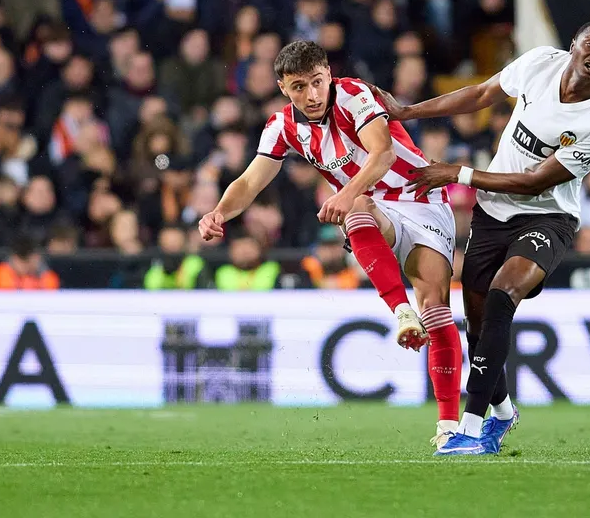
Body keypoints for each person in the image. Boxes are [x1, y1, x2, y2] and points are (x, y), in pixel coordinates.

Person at [375, 15, 590, 456]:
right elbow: (481, 94)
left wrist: (459, 173)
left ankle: (470, 428)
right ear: (573, 44)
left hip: (548, 218)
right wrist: (408, 111)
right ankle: (504, 412)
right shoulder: (541, 63)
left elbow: (533, 182)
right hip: (492, 213)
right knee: (478, 326)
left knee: (502, 293)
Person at [197, 40, 461, 447]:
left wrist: (344, 192)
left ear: (329, 75)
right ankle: (401, 310)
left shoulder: (354, 94)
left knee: (438, 310)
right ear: (283, 87)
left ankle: (448, 426)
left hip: (422, 199)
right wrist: (218, 213)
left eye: (318, 82)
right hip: (374, 208)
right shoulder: (282, 126)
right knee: (358, 211)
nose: (312, 94)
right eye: (299, 86)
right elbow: (250, 181)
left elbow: (384, 154)